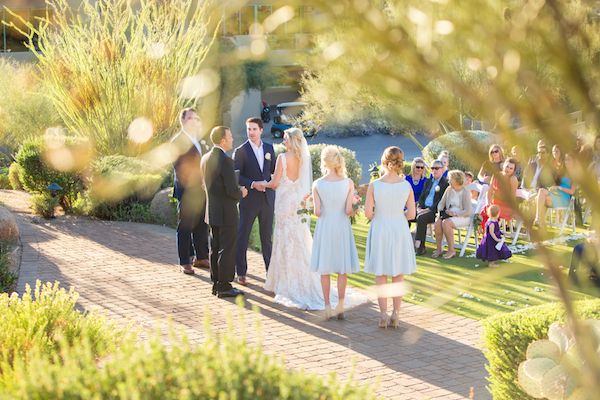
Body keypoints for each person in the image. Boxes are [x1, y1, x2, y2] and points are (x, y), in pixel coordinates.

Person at [263, 128, 324, 309]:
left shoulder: (283, 158)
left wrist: (261, 184)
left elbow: (274, 183)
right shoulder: (303, 158)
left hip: (284, 203)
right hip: (297, 202)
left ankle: (284, 283)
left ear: (291, 141)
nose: (283, 142)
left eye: (285, 139)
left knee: (284, 239)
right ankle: (304, 279)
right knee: (299, 239)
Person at [364, 147, 416, 329]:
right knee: (398, 273)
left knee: (381, 273)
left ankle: (383, 314)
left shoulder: (375, 185)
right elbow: (411, 214)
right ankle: (396, 313)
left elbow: (368, 213)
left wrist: (381, 211)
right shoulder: (406, 185)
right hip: (399, 228)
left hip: (380, 227)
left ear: (384, 161)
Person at [311, 146, 360, 320]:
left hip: (325, 227)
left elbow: (317, 212)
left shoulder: (317, 184)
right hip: (341, 226)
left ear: (324, 161)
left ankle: (327, 306)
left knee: (325, 269)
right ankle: (340, 305)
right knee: (341, 269)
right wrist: (354, 203)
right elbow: (348, 210)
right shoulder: (348, 183)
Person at [201, 126, 248, 298]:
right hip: (227, 212)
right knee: (227, 249)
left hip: (212, 210)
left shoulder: (205, 158)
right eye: (230, 136)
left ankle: (216, 283)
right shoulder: (226, 161)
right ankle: (225, 285)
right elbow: (231, 190)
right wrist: (241, 192)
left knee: (215, 247)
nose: (232, 139)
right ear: (222, 140)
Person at [233, 117, 276, 286]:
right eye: (248, 129)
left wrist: (271, 183)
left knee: (267, 238)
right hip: (249, 200)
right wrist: (252, 184)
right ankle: (241, 272)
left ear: (260, 130)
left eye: (254, 129)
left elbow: (273, 171)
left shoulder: (269, 148)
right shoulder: (241, 151)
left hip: (267, 200)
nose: (251, 132)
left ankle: (270, 273)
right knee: (242, 236)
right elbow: (237, 176)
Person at [171, 108, 209, 275]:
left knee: (201, 223)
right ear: (183, 121)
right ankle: (185, 260)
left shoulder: (199, 140)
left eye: (196, 118)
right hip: (186, 190)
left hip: (202, 190)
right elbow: (179, 167)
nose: (195, 121)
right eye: (191, 118)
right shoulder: (177, 142)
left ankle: (201, 256)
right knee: (185, 225)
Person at [433, 170, 473, 259]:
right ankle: (439, 249)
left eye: (450, 179)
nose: (448, 181)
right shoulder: (449, 189)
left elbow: (468, 211)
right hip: (449, 214)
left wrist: (455, 214)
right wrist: (440, 213)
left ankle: (451, 250)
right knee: (438, 223)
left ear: (457, 180)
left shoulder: (465, 192)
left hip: (463, 216)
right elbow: (441, 203)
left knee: (446, 223)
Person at [414, 160, 449, 256]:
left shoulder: (445, 183)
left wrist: (429, 209)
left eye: (436, 168)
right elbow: (422, 197)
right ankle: (403, 243)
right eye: (432, 168)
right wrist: (419, 207)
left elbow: (441, 201)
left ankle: (420, 247)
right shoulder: (428, 181)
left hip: (435, 212)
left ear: (442, 170)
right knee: (407, 215)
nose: (434, 170)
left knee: (421, 218)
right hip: (423, 209)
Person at [533, 153, 576, 229]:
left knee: (539, 197)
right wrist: (553, 187)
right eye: (566, 159)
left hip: (564, 197)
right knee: (540, 193)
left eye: (569, 159)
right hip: (556, 194)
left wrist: (559, 188)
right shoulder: (562, 172)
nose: (567, 161)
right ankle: (538, 219)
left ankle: (538, 220)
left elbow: (572, 191)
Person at [480, 158, 519, 229]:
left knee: (493, 212)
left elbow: (513, 197)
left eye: (511, 168)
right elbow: (490, 191)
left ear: (513, 170)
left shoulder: (513, 179)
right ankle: (486, 233)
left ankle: (492, 233)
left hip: (506, 206)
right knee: (485, 211)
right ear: (504, 165)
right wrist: (488, 203)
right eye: (507, 166)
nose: (508, 169)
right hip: (494, 203)